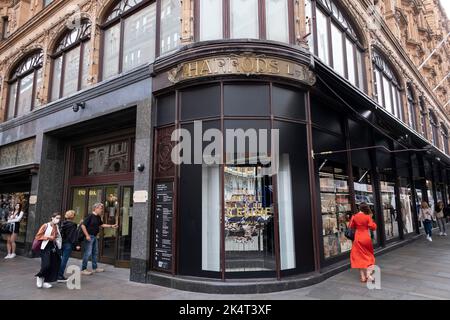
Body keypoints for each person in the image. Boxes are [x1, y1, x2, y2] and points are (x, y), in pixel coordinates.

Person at [80, 203, 118, 275]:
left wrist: (111, 226)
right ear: (95, 208)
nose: (102, 210)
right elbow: (83, 226)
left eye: (102, 208)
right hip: (89, 237)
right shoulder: (90, 216)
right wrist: (87, 235)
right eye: (100, 208)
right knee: (87, 253)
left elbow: (101, 224)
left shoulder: (98, 217)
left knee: (95, 252)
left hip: (94, 236)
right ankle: (83, 269)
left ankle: (95, 268)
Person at [349, 202, 377, 283]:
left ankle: (362, 277)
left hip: (358, 238)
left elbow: (351, 226)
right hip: (366, 238)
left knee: (358, 257)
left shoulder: (354, 216)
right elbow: (373, 227)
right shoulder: (367, 217)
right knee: (369, 255)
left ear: (359, 208)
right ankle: (368, 274)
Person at [34, 213, 62, 289]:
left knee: (53, 264)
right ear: (52, 218)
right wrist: (48, 237)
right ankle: (39, 277)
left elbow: (57, 237)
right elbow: (38, 236)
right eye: (56, 218)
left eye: (59, 218)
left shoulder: (56, 226)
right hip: (45, 247)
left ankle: (46, 281)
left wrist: (58, 243)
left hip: (53, 247)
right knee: (46, 264)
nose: (58, 220)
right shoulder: (45, 225)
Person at [57, 210, 81, 282]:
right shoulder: (73, 225)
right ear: (72, 216)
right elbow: (73, 236)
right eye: (74, 215)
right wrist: (77, 244)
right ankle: (60, 276)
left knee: (60, 259)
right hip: (68, 244)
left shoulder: (63, 223)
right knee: (64, 260)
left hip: (61, 243)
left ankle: (56, 274)